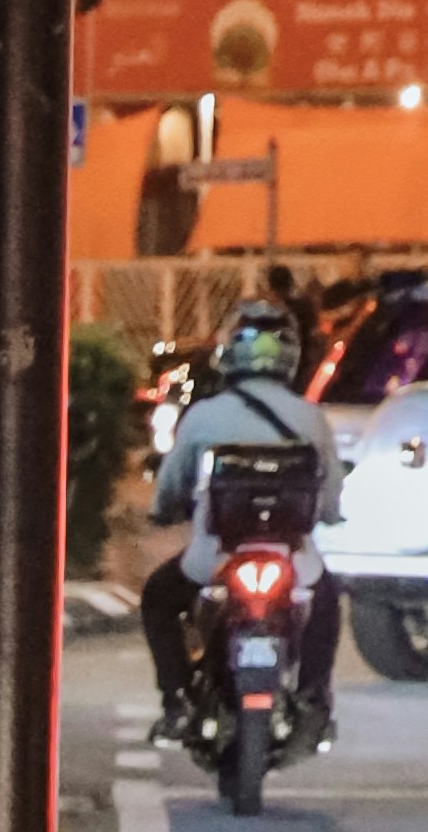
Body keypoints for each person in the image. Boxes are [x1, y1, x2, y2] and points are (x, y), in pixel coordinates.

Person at [141, 310, 342, 751]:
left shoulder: (204, 416)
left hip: (213, 559)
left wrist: (162, 511)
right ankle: (311, 702)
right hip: (294, 562)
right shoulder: (310, 419)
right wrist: (329, 515)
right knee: (326, 604)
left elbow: (172, 483)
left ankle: (176, 702)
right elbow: (329, 494)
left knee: (158, 599)